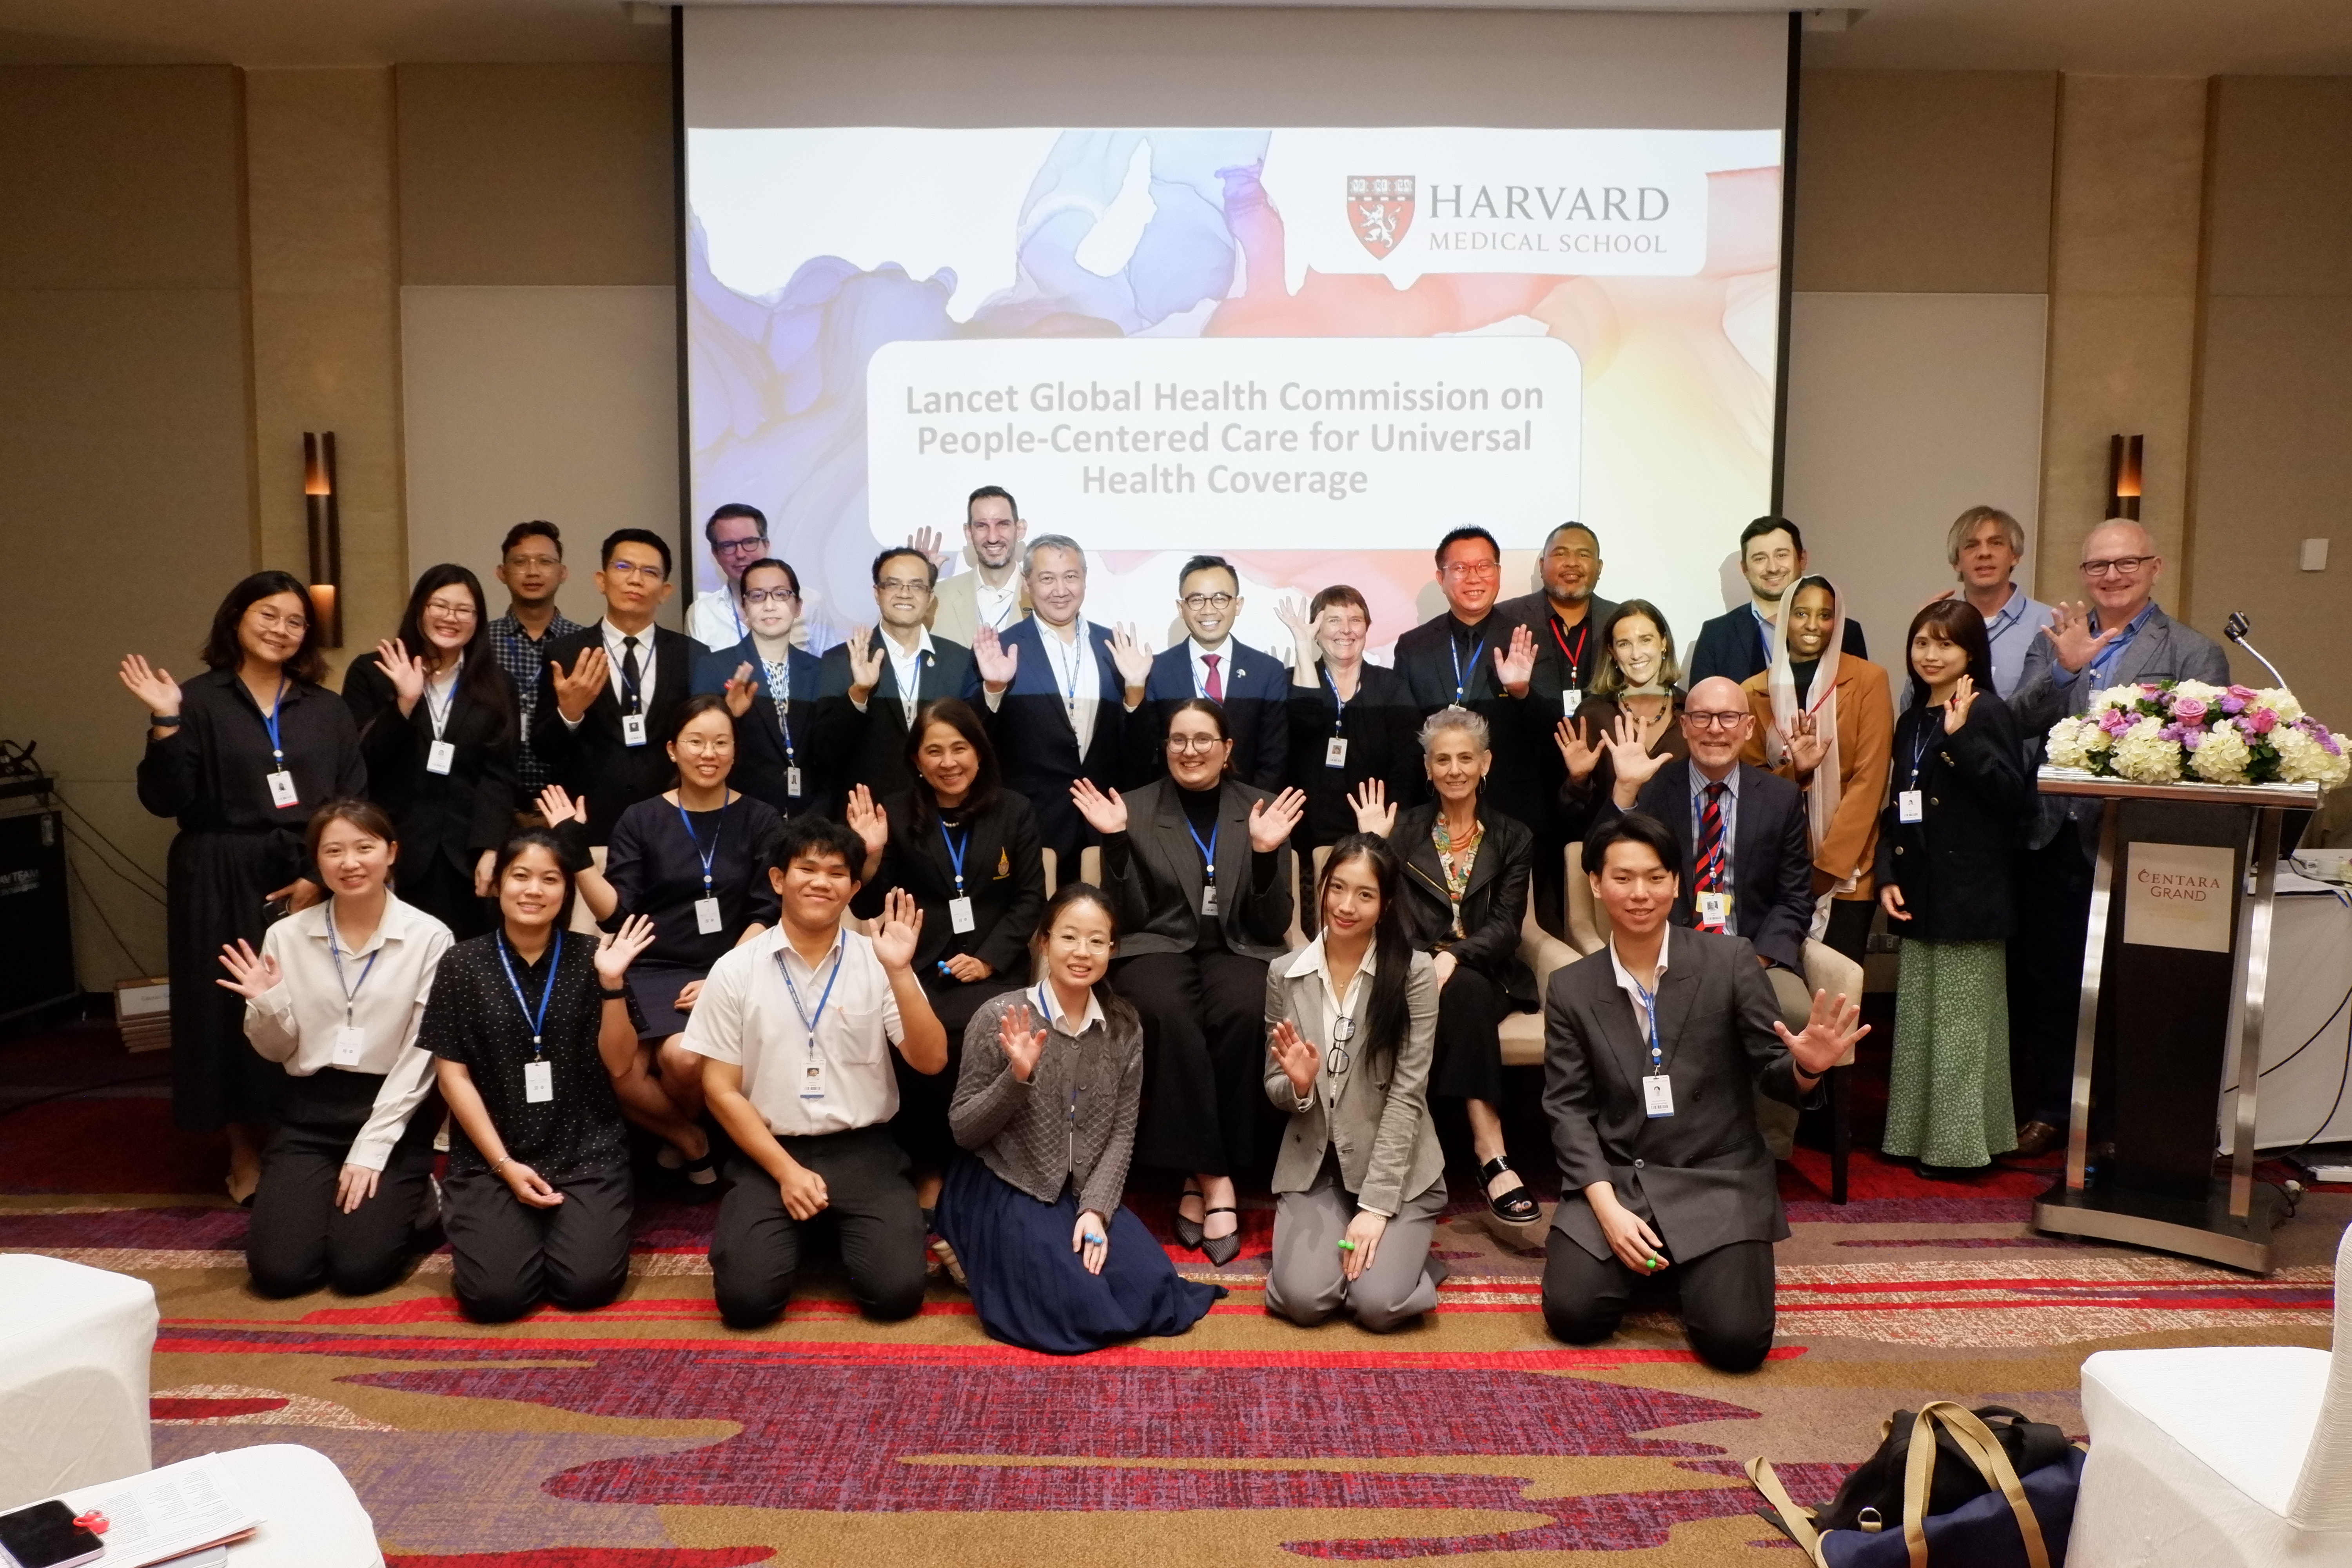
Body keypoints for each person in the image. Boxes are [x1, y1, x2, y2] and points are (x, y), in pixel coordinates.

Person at [1541, 813, 1864, 1371]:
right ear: (1596, 883)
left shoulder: (1729, 960)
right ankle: (1657, 1251)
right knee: (1573, 1317)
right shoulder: (1572, 987)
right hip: (1621, 1178)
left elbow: (1773, 1072)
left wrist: (1807, 1068)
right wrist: (1606, 1207)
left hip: (1715, 1177)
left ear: (1676, 882)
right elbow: (1567, 1108)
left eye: (1655, 877)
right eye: (1622, 878)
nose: (1640, 894)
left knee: (1737, 1346)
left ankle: (1687, 1259)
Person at [125, 572, 367, 1203]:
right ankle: (242, 1150)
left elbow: (352, 797)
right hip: (218, 871)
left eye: (294, 622)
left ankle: (305, 1137)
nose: (280, 630)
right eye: (268, 614)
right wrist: (164, 721)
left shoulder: (326, 706)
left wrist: (319, 876)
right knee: (226, 1009)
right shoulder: (195, 700)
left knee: (311, 1003)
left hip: (306, 871)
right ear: (236, 617)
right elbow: (165, 798)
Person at [2006, 516, 2232, 1157]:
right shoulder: (2056, 638)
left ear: (2155, 568)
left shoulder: (2192, 652)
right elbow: (2018, 721)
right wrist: (2061, 672)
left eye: (2126, 564)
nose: (2112, 577)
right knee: (2053, 982)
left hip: (2140, 847)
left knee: (2131, 986)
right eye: (2098, 567)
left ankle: (2116, 1122)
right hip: (2052, 839)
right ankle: (2053, 1108)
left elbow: (2206, 758)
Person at [683, 817, 950, 1328]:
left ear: (854, 887)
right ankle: (806, 1224)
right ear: (779, 879)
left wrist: (899, 971)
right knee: (746, 1304)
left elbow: (932, 1060)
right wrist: (786, 1172)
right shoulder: (735, 969)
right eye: (808, 869)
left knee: (895, 1297)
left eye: (837, 873)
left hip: (864, 1148)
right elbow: (718, 1090)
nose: (822, 882)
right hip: (770, 1150)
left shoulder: (880, 960)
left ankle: (826, 1227)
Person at [940, 884, 1222, 1354]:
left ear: (1113, 949)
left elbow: (1122, 1133)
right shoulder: (999, 1016)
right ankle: (966, 1246)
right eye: (1069, 937)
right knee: (1076, 1307)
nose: (1082, 952)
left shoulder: (1125, 1025)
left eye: (1097, 941)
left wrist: (1096, 1208)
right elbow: (964, 1131)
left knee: (1152, 1289)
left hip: (1082, 1188)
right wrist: (1017, 1076)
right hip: (1008, 1180)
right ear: (1043, 941)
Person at [1075, 699, 1303, 1267]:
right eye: (1178, 740)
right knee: (1167, 1013)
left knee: (1247, 1011)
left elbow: (1272, 924)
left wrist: (1266, 854)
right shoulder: (1133, 807)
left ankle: (1194, 1176)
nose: (1190, 751)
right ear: (1165, 748)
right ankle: (1217, 1177)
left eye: (1204, 740)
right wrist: (1117, 843)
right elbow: (1127, 917)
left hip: (1239, 945)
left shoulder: (1260, 808)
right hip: (1157, 944)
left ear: (1228, 751)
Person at [544, 694, 782, 1194]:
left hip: (730, 967)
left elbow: (768, 910)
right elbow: (617, 915)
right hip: (649, 965)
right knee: (621, 1063)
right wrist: (576, 855)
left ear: (735, 752)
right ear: (673, 750)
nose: (709, 753)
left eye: (721, 742)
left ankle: (684, 1143)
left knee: (681, 1058)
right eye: (696, 742)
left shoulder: (761, 818)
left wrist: (722, 979)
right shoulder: (641, 818)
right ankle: (692, 1139)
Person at [217, 801, 453, 1297]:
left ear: (391, 853)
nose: (350, 863)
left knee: (358, 1270)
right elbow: (276, 1050)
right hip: (307, 1115)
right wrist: (267, 1003)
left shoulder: (429, 937)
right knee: (281, 1274)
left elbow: (420, 1055)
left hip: (390, 1110)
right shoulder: (286, 934)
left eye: (365, 848)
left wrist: (372, 1147)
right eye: (334, 851)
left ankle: (421, 1199)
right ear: (318, 861)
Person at [423, 831, 656, 1323]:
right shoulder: (461, 963)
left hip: (585, 1147)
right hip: (493, 1153)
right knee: (496, 1299)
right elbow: (453, 1079)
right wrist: (505, 1165)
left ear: (566, 890)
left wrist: (612, 985)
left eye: (550, 879)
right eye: (521, 876)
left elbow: (619, 1065)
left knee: (586, 1286)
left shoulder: (593, 956)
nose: (534, 890)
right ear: (498, 884)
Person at [844, 699, 1045, 1215]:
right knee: (911, 1034)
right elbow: (868, 907)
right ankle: (928, 1168)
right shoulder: (897, 810)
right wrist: (868, 856)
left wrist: (990, 960)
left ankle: (983, 1162)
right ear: (916, 759)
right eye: (934, 750)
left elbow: (1029, 900)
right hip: (917, 966)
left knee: (972, 1027)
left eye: (960, 748)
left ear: (979, 753)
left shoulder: (1015, 810)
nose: (948, 761)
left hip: (992, 969)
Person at [1348, 707, 1539, 1228]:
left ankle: (1482, 1147)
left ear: (1486, 763)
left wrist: (1456, 956)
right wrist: (1377, 847)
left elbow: (1507, 925)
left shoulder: (1513, 835)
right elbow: (1380, 911)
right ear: (1427, 768)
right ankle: (1490, 1157)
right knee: (1449, 994)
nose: (1454, 769)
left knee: (1468, 993)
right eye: (1442, 760)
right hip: (1411, 968)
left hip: (1487, 969)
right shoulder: (1403, 830)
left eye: (1465, 758)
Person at [1262, 833, 1448, 1331]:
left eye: (1364, 894)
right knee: (1302, 1303)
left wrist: (1376, 1206)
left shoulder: (1414, 972)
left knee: (1377, 1307)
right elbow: (1274, 1087)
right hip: (1318, 1163)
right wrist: (1299, 1086)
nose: (1346, 906)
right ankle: (1356, 1260)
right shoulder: (1285, 973)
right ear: (1320, 890)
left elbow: (1409, 1096)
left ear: (1386, 905)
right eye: (1337, 888)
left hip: (1394, 1169)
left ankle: (1410, 1264)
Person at [1877, 601, 2031, 1174]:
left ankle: (1960, 1149)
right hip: (1921, 886)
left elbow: (2011, 799)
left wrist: (1961, 739)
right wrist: (1888, 875)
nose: (1930, 655)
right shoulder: (1911, 717)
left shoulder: (1988, 711)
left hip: (1972, 893)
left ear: (1971, 653)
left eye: (1945, 644)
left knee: (1965, 1026)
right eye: (1922, 643)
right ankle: (1912, 1138)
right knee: (1920, 1020)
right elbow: (1898, 806)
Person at [1590, 676, 1817, 1026]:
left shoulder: (1780, 799)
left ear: (1748, 726)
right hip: (1665, 956)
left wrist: (1754, 959)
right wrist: (1625, 788)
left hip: (1753, 954)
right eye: (1702, 717)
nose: (1715, 729)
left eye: (1728, 717)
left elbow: (1796, 898)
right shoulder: (1654, 789)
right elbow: (1594, 859)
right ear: (1684, 726)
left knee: (1792, 1014)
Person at [344, 564, 518, 939]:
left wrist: (492, 849)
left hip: (467, 856)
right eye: (440, 606)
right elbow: (360, 762)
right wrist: (404, 704)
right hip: (394, 850)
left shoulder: (498, 684)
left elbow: (499, 774)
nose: (450, 618)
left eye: (463, 610)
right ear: (420, 609)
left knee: (465, 966)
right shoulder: (372, 672)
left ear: (478, 620)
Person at [973, 535, 1152, 867]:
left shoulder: (1116, 647)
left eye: (1071, 577)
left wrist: (1136, 691)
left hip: (1106, 820)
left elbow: (1140, 750)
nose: (1060, 590)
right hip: (1032, 824)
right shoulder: (1000, 649)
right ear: (1027, 584)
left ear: (1084, 580)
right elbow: (975, 741)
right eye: (1047, 578)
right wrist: (995, 688)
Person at [1740, 576, 1893, 964]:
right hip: (1777, 866)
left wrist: (1827, 868)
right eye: (1802, 614)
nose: (1813, 625)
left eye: (1825, 615)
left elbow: (1870, 781)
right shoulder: (1753, 691)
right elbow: (1751, 784)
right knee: (1779, 989)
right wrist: (1797, 772)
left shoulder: (1869, 680)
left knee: (1838, 997)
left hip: (1848, 872)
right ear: (1783, 620)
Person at [535, 528, 710, 844]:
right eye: (623, 568)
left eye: (650, 572)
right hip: (589, 824)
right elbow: (543, 749)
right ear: (601, 580)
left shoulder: (692, 655)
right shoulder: (565, 653)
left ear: (665, 590)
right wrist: (570, 713)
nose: (635, 580)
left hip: (674, 824)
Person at [1389, 528, 1546, 858]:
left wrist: (1522, 693)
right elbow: (1404, 739)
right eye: (1460, 568)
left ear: (1499, 574)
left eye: (1484, 566)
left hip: (1511, 814)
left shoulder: (1528, 638)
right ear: (1441, 578)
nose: (1473, 577)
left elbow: (1550, 731)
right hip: (1432, 815)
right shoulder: (1413, 646)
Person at [1497, 523, 1619, 931]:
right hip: (1528, 783)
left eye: (1583, 554)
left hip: (1601, 785)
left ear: (1599, 566)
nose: (1572, 563)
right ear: (1542, 563)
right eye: (1561, 553)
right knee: (1534, 910)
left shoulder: (1620, 622)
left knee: (1599, 903)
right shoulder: (1509, 618)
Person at [1275, 586, 1425, 869]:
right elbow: (1303, 725)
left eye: (1355, 620)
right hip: (1302, 837)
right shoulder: (1287, 684)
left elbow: (1408, 764)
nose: (1346, 630)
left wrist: (1390, 823)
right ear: (1316, 630)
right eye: (1333, 620)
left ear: (1367, 628)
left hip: (1376, 835)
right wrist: (1303, 650)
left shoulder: (1392, 687)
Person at [818, 546, 978, 801]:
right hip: (870, 815)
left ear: (930, 597)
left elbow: (977, 742)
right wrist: (859, 694)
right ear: (877, 593)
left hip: (943, 812)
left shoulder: (958, 660)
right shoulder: (841, 660)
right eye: (894, 585)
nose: (905, 594)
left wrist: (994, 689)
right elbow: (826, 751)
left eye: (917, 586)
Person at [692, 555, 826, 817]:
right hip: (740, 817)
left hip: (810, 821)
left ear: (798, 606)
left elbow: (831, 755)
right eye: (757, 596)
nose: (769, 605)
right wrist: (728, 715)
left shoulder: (821, 670)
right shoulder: (714, 667)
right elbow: (697, 747)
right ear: (743, 610)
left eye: (781, 594)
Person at [1141, 555, 1288, 788]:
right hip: (1172, 812)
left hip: (1249, 810)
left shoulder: (1267, 672)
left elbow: (1274, 757)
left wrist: (1254, 811)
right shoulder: (1156, 670)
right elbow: (1148, 755)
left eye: (1220, 599)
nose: (1208, 610)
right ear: (1182, 608)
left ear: (1237, 605)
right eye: (1197, 600)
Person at [1554, 600, 1690, 846]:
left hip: (1684, 857)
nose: (1636, 654)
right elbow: (1572, 820)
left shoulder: (1692, 710)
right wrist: (1578, 780)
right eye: (1624, 644)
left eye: (1646, 640)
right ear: (1612, 653)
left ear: (1664, 644)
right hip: (1613, 856)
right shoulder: (1593, 714)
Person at [1687, 517, 1869, 688]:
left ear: (1802, 559)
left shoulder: (1845, 631)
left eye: (1782, 555)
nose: (1773, 568)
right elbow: (1701, 713)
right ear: (1745, 569)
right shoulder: (1716, 636)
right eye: (1760, 558)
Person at [488, 521, 587, 802]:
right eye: (520, 562)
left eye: (545, 562)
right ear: (502, 573)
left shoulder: (584, 644)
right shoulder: (480, 642)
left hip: (568, 797)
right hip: (493, 798)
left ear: (563, 573)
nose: (533, 571)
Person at [1940, 505, 2056, 700]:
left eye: (1996, 543)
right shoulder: (1939, 624)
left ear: (2015, 556)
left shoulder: (2049, 624)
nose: (1984, 553)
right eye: (1971, 545)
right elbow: (1913, 702)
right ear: (1956, 562)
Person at [928, 485, 1028, 646]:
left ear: (1020, 530)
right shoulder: (937, 598)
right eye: (982, 526)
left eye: (1003, 524)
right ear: (969, 533)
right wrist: (917, 581)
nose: (993, 538)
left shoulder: (1044, 596)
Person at [688, 503, 776, 651]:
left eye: (749, 542)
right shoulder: (701, 613)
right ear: (716, 554)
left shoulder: (809, 607)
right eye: (728, 546)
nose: (740, 554)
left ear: (766, 545)